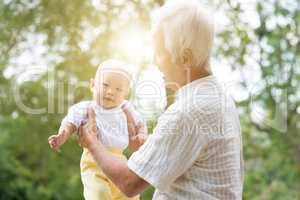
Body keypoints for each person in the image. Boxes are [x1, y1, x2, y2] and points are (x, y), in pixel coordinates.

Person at [77, 1, 244, 200]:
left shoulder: (188, 111)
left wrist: (92, 143)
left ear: (185, 58)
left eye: (159, 53)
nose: (155, 62)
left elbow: (129, 183)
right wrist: (149, 147)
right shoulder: (217, 96)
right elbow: (187, 156)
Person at [48, 59, 147, 200]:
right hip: (93, 162)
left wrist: (142, 134)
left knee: (129, 196)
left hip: (120, 161)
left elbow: (140, 123)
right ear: (93, 85)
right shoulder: (86, 107)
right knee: (99, 193)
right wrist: (62, 135)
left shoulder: (126, 108)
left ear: (126, 93)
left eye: (119, 89)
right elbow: (70, 123)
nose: (111, 92)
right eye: (105, 85)